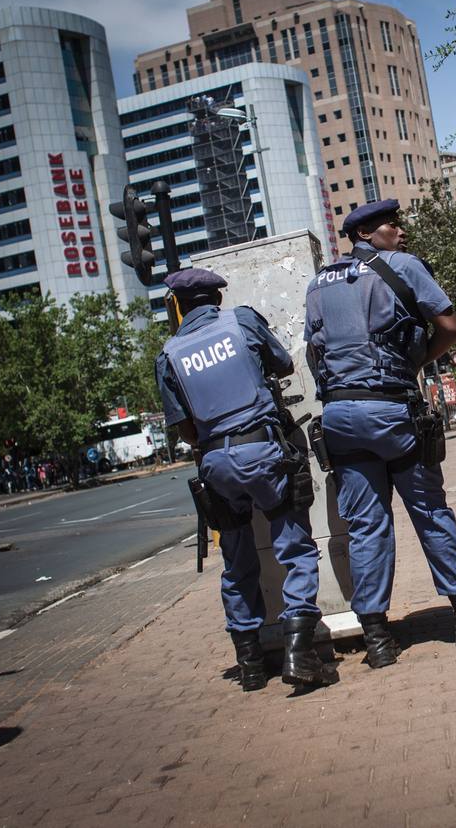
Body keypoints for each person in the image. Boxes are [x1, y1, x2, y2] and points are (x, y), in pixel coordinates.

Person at [304, 199, 456, 668]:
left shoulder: (318, 283)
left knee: (367, 526)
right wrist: (419, 361)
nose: (402, 232)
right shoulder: (402, 267)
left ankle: (378, 640)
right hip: (392, 412)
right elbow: (449, 325)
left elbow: (314, 352)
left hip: (341, 419)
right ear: (366, 233)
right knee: (429, 510)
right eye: (394, 225)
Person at [155, 267, 335, 691]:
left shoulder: (170, 353)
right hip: (264, 451)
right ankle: (299, 651)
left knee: (236, 562)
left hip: (216, 462)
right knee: (295, 549)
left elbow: (184, 428)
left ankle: (251, 664)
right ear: (216, 297)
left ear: (179, 306)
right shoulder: (242, 321)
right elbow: (284, 362)